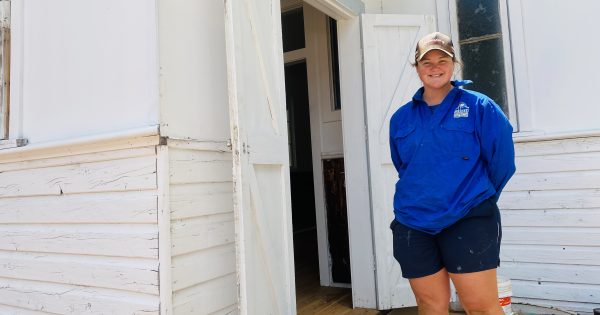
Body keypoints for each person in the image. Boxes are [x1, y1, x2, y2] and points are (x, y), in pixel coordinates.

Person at [388, 31, 516, 315]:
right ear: (417, 67)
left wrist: (475, 198)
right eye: (426, 62)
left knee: (481, 307)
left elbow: (503, 163)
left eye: (441, 60)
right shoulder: (400, 119)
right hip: (413, 222)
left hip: (467, 218)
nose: (435, 67)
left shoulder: (479, 107)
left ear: (454, 63)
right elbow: (403, 167)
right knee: (430, 306)